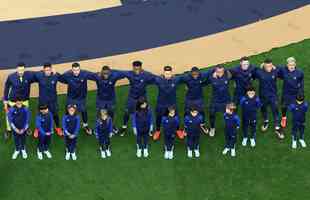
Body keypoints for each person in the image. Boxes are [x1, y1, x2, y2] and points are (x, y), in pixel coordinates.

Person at [58, 62, 96, 135]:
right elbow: (60, 78)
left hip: (81, 98)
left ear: (80, 69)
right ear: (72, 70)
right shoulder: (67, 74)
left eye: (77, 70)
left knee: (83, 111)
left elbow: (94, 76)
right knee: (67, 111)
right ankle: (65, 126)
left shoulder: (85, 73)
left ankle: (85, 125)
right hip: (71, 97)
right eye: (74, 70)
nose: (76, 72)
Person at [120, 61, 155, 136]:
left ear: (141, 67)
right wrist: (109, 71)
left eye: (138, 69)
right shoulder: (129, 73)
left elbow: (155, 78)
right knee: (127, 112)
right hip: (132, 97)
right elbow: (119, 72)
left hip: (142, 97)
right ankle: (124, 127)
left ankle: (150, 129)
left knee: (146, 111)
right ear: (133, 68)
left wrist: (162, 77)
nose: (137, 71)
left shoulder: (146, 74)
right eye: (135, 69)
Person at [3, 63, 35, 140]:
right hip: (13, 100)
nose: (21, 71)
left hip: (24, 100)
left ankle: (25, 127)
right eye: (19, 70)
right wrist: (5, 101)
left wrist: (48, 71)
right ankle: (9, 130)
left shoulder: (29, 75)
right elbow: (6, 88)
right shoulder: (11, 76)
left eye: (22, 70)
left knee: (25, 114)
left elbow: (39, 74)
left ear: (24, 69)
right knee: (9, 115)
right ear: (17, 69)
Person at [91, 65, 126, 134]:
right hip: (100, 100)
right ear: (101, 72)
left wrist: (112, 71)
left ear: (110, 72)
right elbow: (88, 75)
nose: (106, 75)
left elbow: (123, 74)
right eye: (104, 73)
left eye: (107, 73)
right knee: (99, 114)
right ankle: (98, 127)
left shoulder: (114, 76)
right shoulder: (97, 76)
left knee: (111, 113)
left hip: (111, 99)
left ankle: (111, 126)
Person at [253, 58, 283, 139]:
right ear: (264, 66)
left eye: (270, 66)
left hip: (273, 96)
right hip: (263, 96)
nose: (269, 68)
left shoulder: (276, 71)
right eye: (267, 66)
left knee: (275, 110)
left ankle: (277, 126)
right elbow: (252, 71)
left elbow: (282, 69)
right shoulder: (259, 72)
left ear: (272, 65)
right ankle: (266, 121)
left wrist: (274, 67)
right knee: (264, 109)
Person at [152, 66, 184, 141]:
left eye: (169, 73)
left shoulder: (176, 79)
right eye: (166, 73)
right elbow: (149, 76)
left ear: (171, 73)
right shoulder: (158, 80)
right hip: (161, 103)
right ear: (163, 73)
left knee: (175, 117)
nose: (167, 75)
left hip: (172, 104)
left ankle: (178, 130)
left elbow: (186, 76)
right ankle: (158, 130)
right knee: (159, 117)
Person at [33, 63, 62, 136]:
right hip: (43, 100)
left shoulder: (56, 75)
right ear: (43, 70)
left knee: (55, 114)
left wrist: (57, 73)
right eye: (46, 70)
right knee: (40, 114)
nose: (48, 71)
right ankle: (37, 128)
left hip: (53, 100)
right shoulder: (39, 75)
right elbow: (31, 75)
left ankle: (58, 127)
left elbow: (63, 78)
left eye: (49, 70)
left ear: (51, 69)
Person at [179, 66, 209, 134]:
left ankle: (202, 124)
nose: (195, 75)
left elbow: (209, 72)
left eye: (196, 74)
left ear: (199, 73)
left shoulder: (202, 75)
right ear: (191, 73)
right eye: (193, 74)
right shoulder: (186, 77)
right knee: (187, 112)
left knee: (201, 112)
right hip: (189, 98)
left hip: (199, 98)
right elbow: (179, 78)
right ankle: (186, 126)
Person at [204, 65, 232, 137]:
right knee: (212, 114)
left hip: (226, 100)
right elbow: (204, 83)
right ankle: (212, 128)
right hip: (215, 100)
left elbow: (234, 71)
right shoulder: (211, 78)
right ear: (215, 71)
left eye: (221, 72)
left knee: (229, 115)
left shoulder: (228, 76)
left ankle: (229, 127)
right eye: (218, 72)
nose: (220, 73)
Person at [278, 57, 304, 128]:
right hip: (286, 93)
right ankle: (284, 118)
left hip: (295, 93)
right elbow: (278, 73)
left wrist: (301, 93)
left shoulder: (300, 72)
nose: (291, 66)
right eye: (290, 65)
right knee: (284, 106)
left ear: (295, 64)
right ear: (287, 65)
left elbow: (301, 83)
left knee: (297, 107)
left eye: (293, 65)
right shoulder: (283, 70)